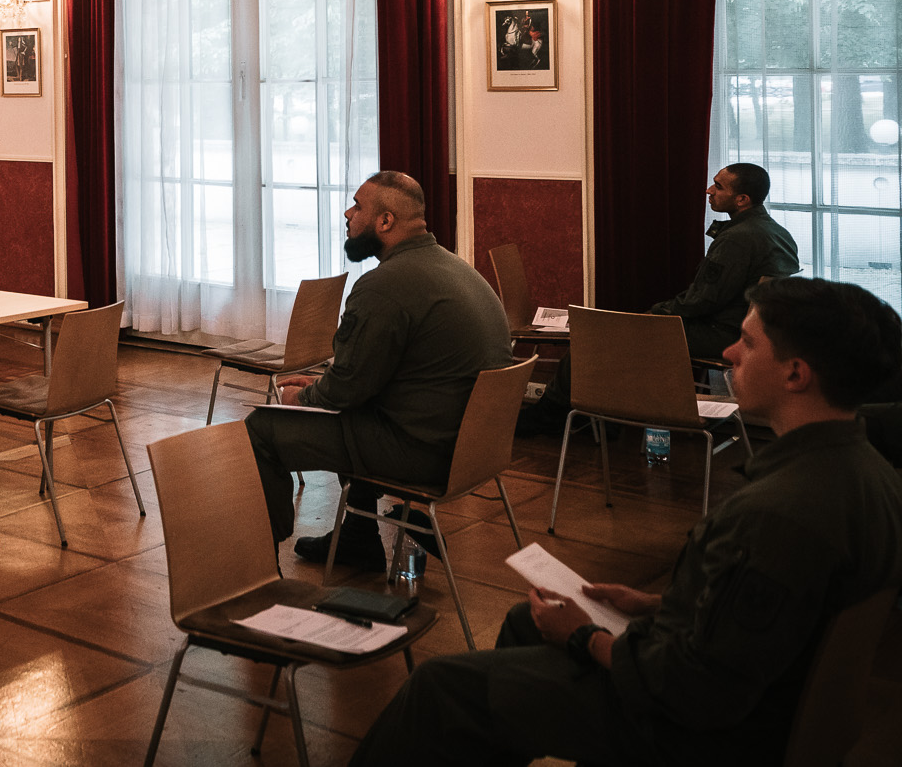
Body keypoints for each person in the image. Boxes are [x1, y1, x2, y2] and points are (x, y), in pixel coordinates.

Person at [349, 277, 902, 767]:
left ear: (796, 373)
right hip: (743, 693)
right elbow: (774, 613)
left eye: (749, 342)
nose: (729, 352)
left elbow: (695, 688)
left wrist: (586, 636)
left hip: (692, 732)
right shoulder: (865, 471)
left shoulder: (778, 513)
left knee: (442, 687)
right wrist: (656, 605)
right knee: (525, 621)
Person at [245, 171, 513, 570]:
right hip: (473, 451)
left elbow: (347, 389)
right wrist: (325, 385)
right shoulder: (458, 269)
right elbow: (371, 378)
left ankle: (258, 565)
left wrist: (301, 397)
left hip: (424, 455)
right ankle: (358, 537)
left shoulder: (383, 285)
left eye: (357, 206)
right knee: (354, 410)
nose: (347, 214)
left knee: (261, 428)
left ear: (385, 221)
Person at [519, 162, 800, 435]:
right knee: (623, 333)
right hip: (747, 331)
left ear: (742, 199)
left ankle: (550, 415)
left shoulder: (737, 239)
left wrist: (655, 313)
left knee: (599, 337)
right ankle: (604, 419)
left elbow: (701, 301)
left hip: (721, 333)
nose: (709, 191)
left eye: (718, 186)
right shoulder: (778, 232)